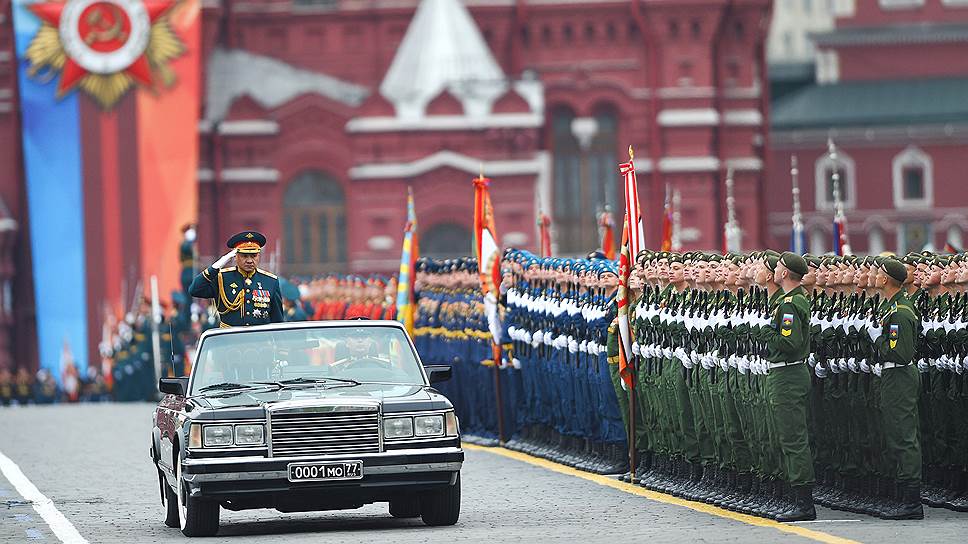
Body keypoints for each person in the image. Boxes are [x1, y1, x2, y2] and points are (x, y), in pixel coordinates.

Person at [756, 251, 815, 522]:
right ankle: (795, 497)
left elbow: (789, 343)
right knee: (787, 437)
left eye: (778, 265)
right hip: (785, 374)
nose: (775, 269)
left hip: (789, 375)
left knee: (793, 439)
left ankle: (804, 503)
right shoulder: (791, 301)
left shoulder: (790, 304)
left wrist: (765, 330)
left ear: (784, 273)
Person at [869, 257, 923, 520]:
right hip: (893, 376)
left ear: (887, 279)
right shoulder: (892, 308)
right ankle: (904, 497)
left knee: (904, 437)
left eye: (879, 272)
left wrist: (877, 338)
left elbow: (899, 353)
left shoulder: (900, 312)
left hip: (900, 375)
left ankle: (912, 502)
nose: (875, 275)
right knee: (896, 435)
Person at [189, 231, 284, 327]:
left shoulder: (271, 281)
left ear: (259, 255)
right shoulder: (222, 278)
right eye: (244, 256)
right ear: (235, 257)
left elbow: (277, 322)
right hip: (229, 339)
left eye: (254, 256)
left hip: (260, 339)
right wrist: (215, 267)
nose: (250, 261)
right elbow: (195, 290)